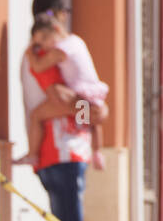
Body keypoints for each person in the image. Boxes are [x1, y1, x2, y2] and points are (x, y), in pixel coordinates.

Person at [12, 0, 106, 221]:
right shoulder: (42, 54)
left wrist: (93, 110)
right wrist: (93, 109)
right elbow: (65, 100)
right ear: (56, 15)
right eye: (65, 12)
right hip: (60, 152)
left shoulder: (45, 53)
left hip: (63, 152)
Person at [14, 13, 109, 172]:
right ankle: (97, 152)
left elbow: (38, 66)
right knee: (90, 121)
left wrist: (30, 51)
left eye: (44, 39)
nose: (43, 46)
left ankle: (32, 154)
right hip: (93, 96)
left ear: (57, 29)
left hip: (81, 98)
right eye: (39, 43)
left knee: (37, 115)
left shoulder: (61, 49)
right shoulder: (77, 41)